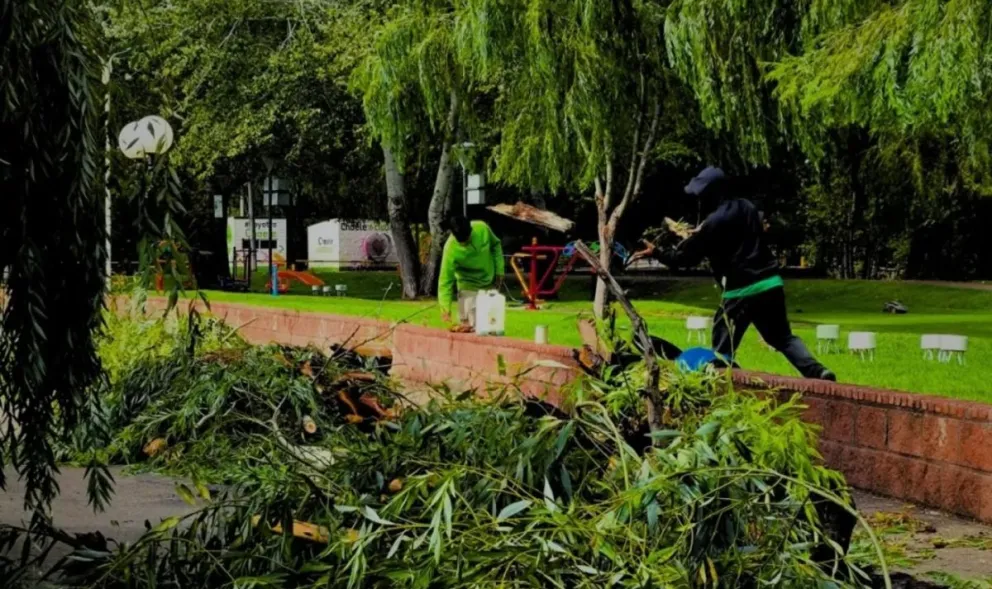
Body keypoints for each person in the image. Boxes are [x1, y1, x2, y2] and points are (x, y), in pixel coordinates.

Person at [632, 166, 836, 381]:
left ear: (710, 194)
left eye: (700, 195)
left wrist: (658, 252)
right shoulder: (747, 207)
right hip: (770, 283)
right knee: (783, 338)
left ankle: (722, 384)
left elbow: (684, 259)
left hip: (741, 291)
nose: (699, 201)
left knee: (721, 351)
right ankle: (818, 371)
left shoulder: (713, 223)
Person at [438, 215, 505, 326]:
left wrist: (499, 271)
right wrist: (445, 309)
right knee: (470, 327)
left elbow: (496, 245)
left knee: (491, 326)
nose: (465, 243)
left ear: (471, 229)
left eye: (467, 239)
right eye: (461, 241)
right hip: (468, 288)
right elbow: (445, 281)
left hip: (490, 284)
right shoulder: (449, 249)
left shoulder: (482, 228)